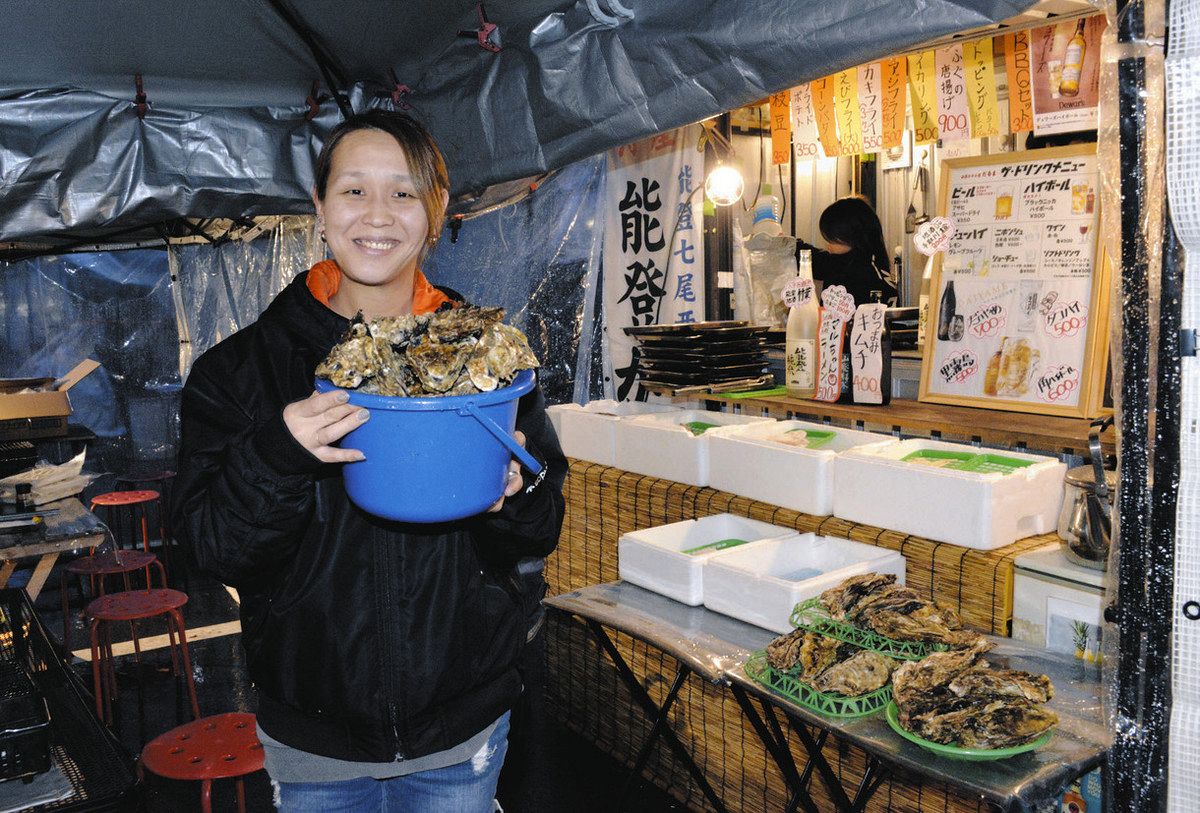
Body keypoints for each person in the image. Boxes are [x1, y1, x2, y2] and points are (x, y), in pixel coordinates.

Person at [172, 109, 566, 812]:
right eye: (353, 191)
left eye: (404, 191)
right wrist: (276, 454)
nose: (377, 214)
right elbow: (210, 549)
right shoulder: (242, 371)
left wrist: (519, 491)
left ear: (434, 213)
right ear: (319, 209)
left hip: (460, 724)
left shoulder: (490, 357)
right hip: (315, 736)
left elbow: (540, 529)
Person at [796, 195, 898, 307]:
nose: (828, 245)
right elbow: (815, 259)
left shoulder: (863, 274)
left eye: (832, 239)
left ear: (851, 235)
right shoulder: (866, 264)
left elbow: (818, 261)